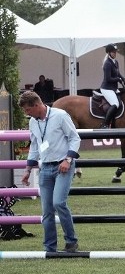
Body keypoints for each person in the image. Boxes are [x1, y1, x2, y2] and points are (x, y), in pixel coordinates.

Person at [18, 90, 81, 253]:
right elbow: (34, 145)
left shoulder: (60, 116)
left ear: (37, 105)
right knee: (46, 210)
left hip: (63, 165)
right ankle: (49, 247)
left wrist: (68, 159)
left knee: (59, 202)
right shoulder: (33, 122)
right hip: (45, 167)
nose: (27, 113)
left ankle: (71, 241)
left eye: (27, 110)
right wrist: (27, 169)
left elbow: (75, 138)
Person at [100, 43, 125, 128]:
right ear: (109, 53)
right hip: (107, 88)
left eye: (115, 52)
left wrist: (123, 78)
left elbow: (117, 73)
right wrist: (118, 80)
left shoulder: (115, 62)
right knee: (115, 104)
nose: (115, 54)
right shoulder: (107, 63)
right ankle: (105, 124)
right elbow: (108, 79)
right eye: (113, 52)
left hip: (114, 88)